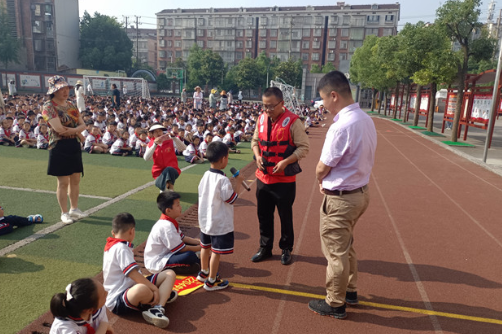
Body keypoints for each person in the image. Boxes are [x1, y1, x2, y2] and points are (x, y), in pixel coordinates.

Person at [307, 71, 376, 319]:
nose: (323, 105)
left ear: (334, 96)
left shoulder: (341, 127)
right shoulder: (365, 119)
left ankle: (335, 302)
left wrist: (320, 179)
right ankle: (350, 290)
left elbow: (322, 166)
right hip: (360, 193)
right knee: (346, 245)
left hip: (341, 198)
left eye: (323, 99)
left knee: (335, 251)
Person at [251, 87, 309, 265]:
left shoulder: (293, 122)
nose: (267, 110)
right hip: (263, 178)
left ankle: (286, 248)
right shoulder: (261, 119)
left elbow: (304, 148)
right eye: (264, 106)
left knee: (285, 216)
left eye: (271, 106)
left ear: (282, 104)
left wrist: (285, 162)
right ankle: (265, 248)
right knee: (263, 215)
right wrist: (258, 155)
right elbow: (254, 141)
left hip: (284, 181)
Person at [103, 213, 177, 328]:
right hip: (118, 300)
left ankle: (158, 307)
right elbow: (133, 274)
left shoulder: (113, 245)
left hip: (128, 288)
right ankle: (160, 298)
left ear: (113, 233)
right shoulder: (121, 248)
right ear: (132, 231)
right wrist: (154, 289)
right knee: (142, 289)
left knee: (169, 274)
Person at [197, 141, 243, 290]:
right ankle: (211, 280)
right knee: (216, 252)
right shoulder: (223, 180)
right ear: (223, 159)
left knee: (205, 247)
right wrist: (239, 182)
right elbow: (231, 199)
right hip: (218, 222)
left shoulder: (205, 175)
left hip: (205, 220)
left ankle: (203, 271)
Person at [42, 76, 86, 225]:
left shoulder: (71, 105)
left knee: (75, 179)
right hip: (58, 146)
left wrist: (74, 131)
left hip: (73, 144)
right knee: (62, 182)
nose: (65, 91)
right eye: (61, 89)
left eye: (66, 88)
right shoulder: (49, 106)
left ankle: (74, 208)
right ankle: (64, 212)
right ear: (54, 91)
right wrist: (77, 132)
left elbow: (83, 125)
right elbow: (59, 130)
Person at [144, 192, 202, 276]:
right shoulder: (166, 226)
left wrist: (199, 242)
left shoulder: (170, 221)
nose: (180, 207)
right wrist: (201, 248)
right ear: (168, 210)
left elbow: (183, 238)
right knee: (190, 256)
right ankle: (181, 267)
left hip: (168, 252)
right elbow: (182, 249)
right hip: (157, 262)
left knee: (191, 249)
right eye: (178, 205)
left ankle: (193, 261)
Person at [143, 124, 181, 192]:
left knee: (168, 169)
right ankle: (166, 187)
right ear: (152, 134)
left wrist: (174, 138)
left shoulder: (170, 141)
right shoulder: (151, 144)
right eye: (155, 132)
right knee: (163, 186)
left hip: (173, 170)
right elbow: (146, 158)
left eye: (160, 131)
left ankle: (170, 189)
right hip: (158, 172)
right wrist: (155, 145)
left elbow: (183, 148)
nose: (158, 133)